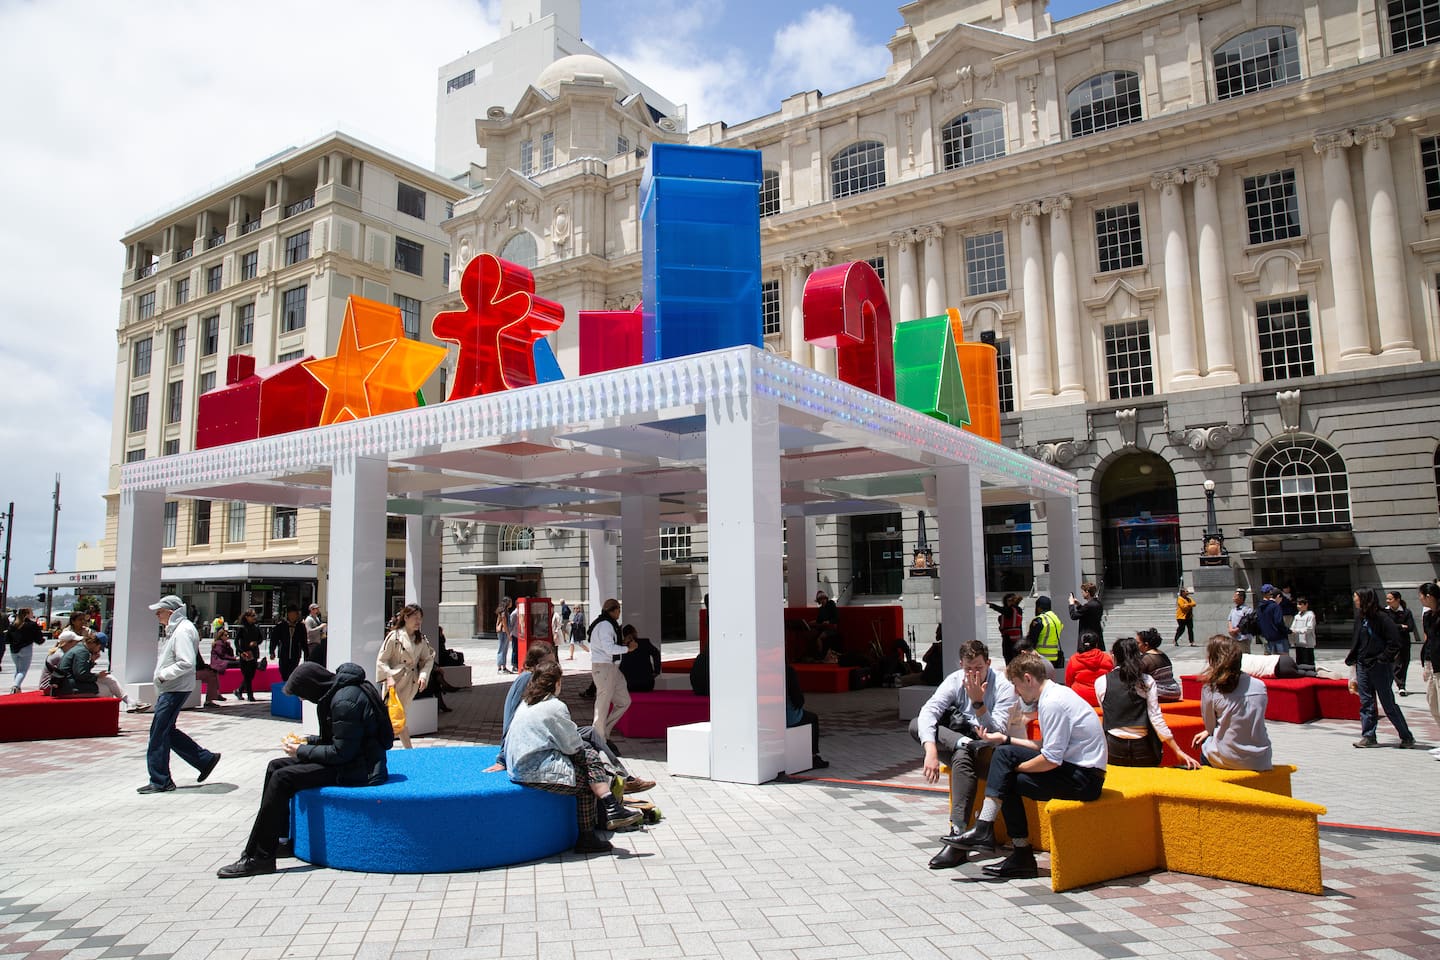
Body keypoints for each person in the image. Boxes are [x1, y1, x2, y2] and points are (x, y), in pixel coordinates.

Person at [216, 661, 393, 878]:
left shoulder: (344, 701)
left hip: (360, 771)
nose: (302, 699)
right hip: (353, 762)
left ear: (311, 687)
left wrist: (301, 751)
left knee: (283, 778)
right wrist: (307, 742)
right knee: (275, 766)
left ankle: (259, 857)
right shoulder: (339, 693)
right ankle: (279, 841)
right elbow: (340, 739)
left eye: (301, 694)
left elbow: (341, 753)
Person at [943, 651, 1107, 879]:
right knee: (1005, 762)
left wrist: (1014, 768)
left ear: (1028, 678)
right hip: (1079, 772)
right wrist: (1006, 739)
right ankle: (1017, 852)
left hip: (1085, 779)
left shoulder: (1053, 703)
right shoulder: (1056, 694)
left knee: (1005, 768)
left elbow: (1050, 759)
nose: (1016, 692)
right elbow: (1045, 745)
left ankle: (988, 832)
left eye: (1016, 685)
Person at [499, 660, 644, 854]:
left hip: (519, 765)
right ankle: (594, 827)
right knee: (588, 772)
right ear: (557, 683)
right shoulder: (555, 706)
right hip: (534, 769)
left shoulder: (526, 703)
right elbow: (573, 746)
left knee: (588, 760)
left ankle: (610, 809)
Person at [910, 639, 1024, 869]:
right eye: (968, 668)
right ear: (961, 664)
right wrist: (930, 750)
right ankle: (963, 743)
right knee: (916, 725)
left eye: (978, 668)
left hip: (995, 751)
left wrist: (978, 703)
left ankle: (957, 837)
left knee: (963, 758)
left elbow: (997, 733)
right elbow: (928, 712)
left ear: (988, 664)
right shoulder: (954, 680)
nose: (973, 674)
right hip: (965, 741)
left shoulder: (1003, 687)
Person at [498, 642, 656, 794]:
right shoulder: (527, 679)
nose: (555, 666)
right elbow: (511, 716)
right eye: (550, 662)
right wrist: (503, 756)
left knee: (591, 733)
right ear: (537, 662)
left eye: (555, 661)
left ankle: (621, 776)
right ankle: (615, 780)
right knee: (585, 746)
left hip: (543, 732)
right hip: (538, 738)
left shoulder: (534, 678)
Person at [139, 595, 221, 794]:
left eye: (159, 611)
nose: (157, 615)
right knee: (166, 731)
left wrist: (163, 675)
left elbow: (186, 662)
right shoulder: (180, 629)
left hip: (174, 688)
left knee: (159, 733)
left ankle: (161, 780)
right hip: (174, 687)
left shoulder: (182, 630)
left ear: (171, 612)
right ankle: (204, 760)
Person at [1095, 637, 1200, 768]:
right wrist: (1177, 750)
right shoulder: (1146, 681)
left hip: (1113, 746)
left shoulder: (1101, 682)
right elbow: (1156, 718)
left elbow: (1107, 712)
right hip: (1143, 746)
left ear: (1113, 656)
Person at [1345, 588, 1415, 749]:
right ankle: (1369, 736)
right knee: (1366, 702)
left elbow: (1395, 642)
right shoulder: (1360, 618)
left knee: (1388, 703)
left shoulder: (1382, 618)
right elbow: (1357, 641)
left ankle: (1406, 736)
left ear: (1365, 599)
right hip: (1363, 665)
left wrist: (1383, 658)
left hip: (1380, 667)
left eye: (1356, 597)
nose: (1354, 600)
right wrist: (1353, 659)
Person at [1193, 635, 1273, 770]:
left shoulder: (1211, 688)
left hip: (1228, 758)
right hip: (1260, 758)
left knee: (1205, 746)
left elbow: (1210, 727)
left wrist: (1210, 732)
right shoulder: (1260, 686)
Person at [375, 603, 436, 750]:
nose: (418, 621)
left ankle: (396, 749)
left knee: (399, 716)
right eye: (415, 618)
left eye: (420, 618)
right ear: (406, 618)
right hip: (394, 683)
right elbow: (381, 660)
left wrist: (423, 676)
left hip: (410, 683)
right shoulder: (394, 637)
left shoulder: (420, 639)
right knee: (394, 716)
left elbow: (428, 659)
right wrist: (388, 676)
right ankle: (401, 749)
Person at [54, 623, 150, 711]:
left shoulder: (81, 648)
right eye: (99, 648)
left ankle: (130, 702)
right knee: (106, 690)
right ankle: (108, 716)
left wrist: (92, 662)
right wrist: (97, 675)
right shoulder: (82, 652)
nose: (98, 651)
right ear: (95, 644)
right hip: (69, 687)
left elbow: (80, 672)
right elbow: (81, 674)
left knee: (109, 678)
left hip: (69, 683)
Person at [587, 598, 631, 743]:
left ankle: (604, 731)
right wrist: (627, 649)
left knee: (624, 701)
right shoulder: (606, 625)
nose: (620, 612)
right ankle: (598, 737)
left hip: (611, 668)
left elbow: (609, 645)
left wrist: (623, 645)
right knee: (603, 703)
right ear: (614, 610)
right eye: (619, 609)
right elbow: (609, 648)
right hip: (604, 667)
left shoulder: (606, 624)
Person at [786, 663, 829, 772]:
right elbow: (798, 699)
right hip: (788, 717)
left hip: (769, 716)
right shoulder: (788, 671)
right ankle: (813, 756)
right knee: (812, 718)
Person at [1417, 582, 1440, 760]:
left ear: (1429, 596)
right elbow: (1428, 641)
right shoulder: (1427, 616)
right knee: (1433, 704)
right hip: (1432, 664)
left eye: (1421, 595)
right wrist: (1426, 664)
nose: (1420, 598)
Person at [1064, 631, 1112, 706]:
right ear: (1096, 644)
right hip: (1102, 698)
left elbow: (1068, 681)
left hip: (1079, 699)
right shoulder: (1107, 658)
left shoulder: (1074, 659)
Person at [1385, 590, 1418, 697]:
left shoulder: (1406, 612)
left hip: (1404, 642)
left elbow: (1410, 627)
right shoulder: (1385, 612)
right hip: (1390, 642)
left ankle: (1401, 686)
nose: (1387, 601)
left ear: (1397, 600)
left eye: (1390, 599)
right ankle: (1395, 684)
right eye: (1387, 599)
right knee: (1393, 664)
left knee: (1403, 663)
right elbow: (1386, 626)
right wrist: (1400, 626)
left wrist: (1396, 627)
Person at [6, 607, 45, 694]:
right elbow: (38, 638)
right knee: (23, 670)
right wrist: (41, 640)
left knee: (18, 669)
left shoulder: (13, 625)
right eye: (31, 612)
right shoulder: (32, 625)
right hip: (26, 649)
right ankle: (16, 686)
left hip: (14, 650)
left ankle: (18, 688)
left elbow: (8, 638)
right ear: (27, 614)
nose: (32, 614)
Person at [1024, 595, 1064, 671]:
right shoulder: (1056, 619)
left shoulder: (1040, 620)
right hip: (1053, 657)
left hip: (1040, 657)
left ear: (1039, 607)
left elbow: (1031, 640)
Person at [233, 609, 264, 702]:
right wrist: (240, 651)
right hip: (245, 654)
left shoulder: (256, 627)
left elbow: (261, 639)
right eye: (252, 616)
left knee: (251, 675)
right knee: (247, 675)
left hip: (254, 654)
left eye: (255, 615)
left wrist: (256, 643)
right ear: (247, 617)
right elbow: (236, 641)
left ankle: (239, 690)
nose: (254, 617)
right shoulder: (242, 628)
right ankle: (250, 695)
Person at [268, 605, 307, 681]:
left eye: (294, 614)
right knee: (284, 673)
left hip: (295, 654)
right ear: (288, 615)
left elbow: (304, 641)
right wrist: (272, 651)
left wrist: (306, 653)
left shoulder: (301, 626)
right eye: (291, 614)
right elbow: (274, 640)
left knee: (292, 674)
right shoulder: (281, 626)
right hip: (283, 654)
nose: (292, 617)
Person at [618, 625, 660, 693]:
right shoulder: (645, 642)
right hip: (646, 684)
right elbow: (656, 654)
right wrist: (656, 671)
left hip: (627, 684)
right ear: (635, 632)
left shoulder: (619, 646)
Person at [987, 594, 1025, 663]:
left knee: (1009, 658)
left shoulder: (1011, 610)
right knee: (1015, 659)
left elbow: (1003, 610)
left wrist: (991, 605)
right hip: (1016, 638)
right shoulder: (1017, 610)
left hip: (1009, 640)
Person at [1256, 584, 1291, 655]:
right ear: (1278, 596)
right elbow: (1278, 622)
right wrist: (1287, 631)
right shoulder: (1275, 606)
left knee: (1270, 660)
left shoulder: (1260, 607)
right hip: (1279, 638)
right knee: (1282, 659)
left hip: (1267, 638)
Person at [811, 590, 842, 661]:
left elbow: (836, 618)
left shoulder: (831, 604)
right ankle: (814, 655)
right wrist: (811, 622)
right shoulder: (821, 609)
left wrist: (829, 621)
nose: (823, 600)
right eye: (821, 599)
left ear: (826, 598)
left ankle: (821, 656)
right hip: (824, 628)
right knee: (812, 634)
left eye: (824, 598)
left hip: (832, 628)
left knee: (819, 638)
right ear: (818, 600)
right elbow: (819, 620)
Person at [1290, 596, 1318, 669]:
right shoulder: (1297, 616)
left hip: (1307, 644)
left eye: (1300, 604)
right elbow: (1292, 627)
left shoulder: (1310, 615)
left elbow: (1309, 628)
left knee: (1309, 663)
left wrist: (1297, 630)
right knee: (1299, 662)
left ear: (1306, 605)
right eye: (1297, 604)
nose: (1298, 606)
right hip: (1298, 643)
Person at [495, 599, 515, 674]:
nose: (511, 603)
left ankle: (503, 667)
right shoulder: (504, 612)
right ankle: (500, 667)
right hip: (503, 633)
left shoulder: (504, 611)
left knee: (504, 650)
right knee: (502, 649)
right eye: (510, 602)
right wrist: (508, 634)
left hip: (503, 632)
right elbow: (505, 624)